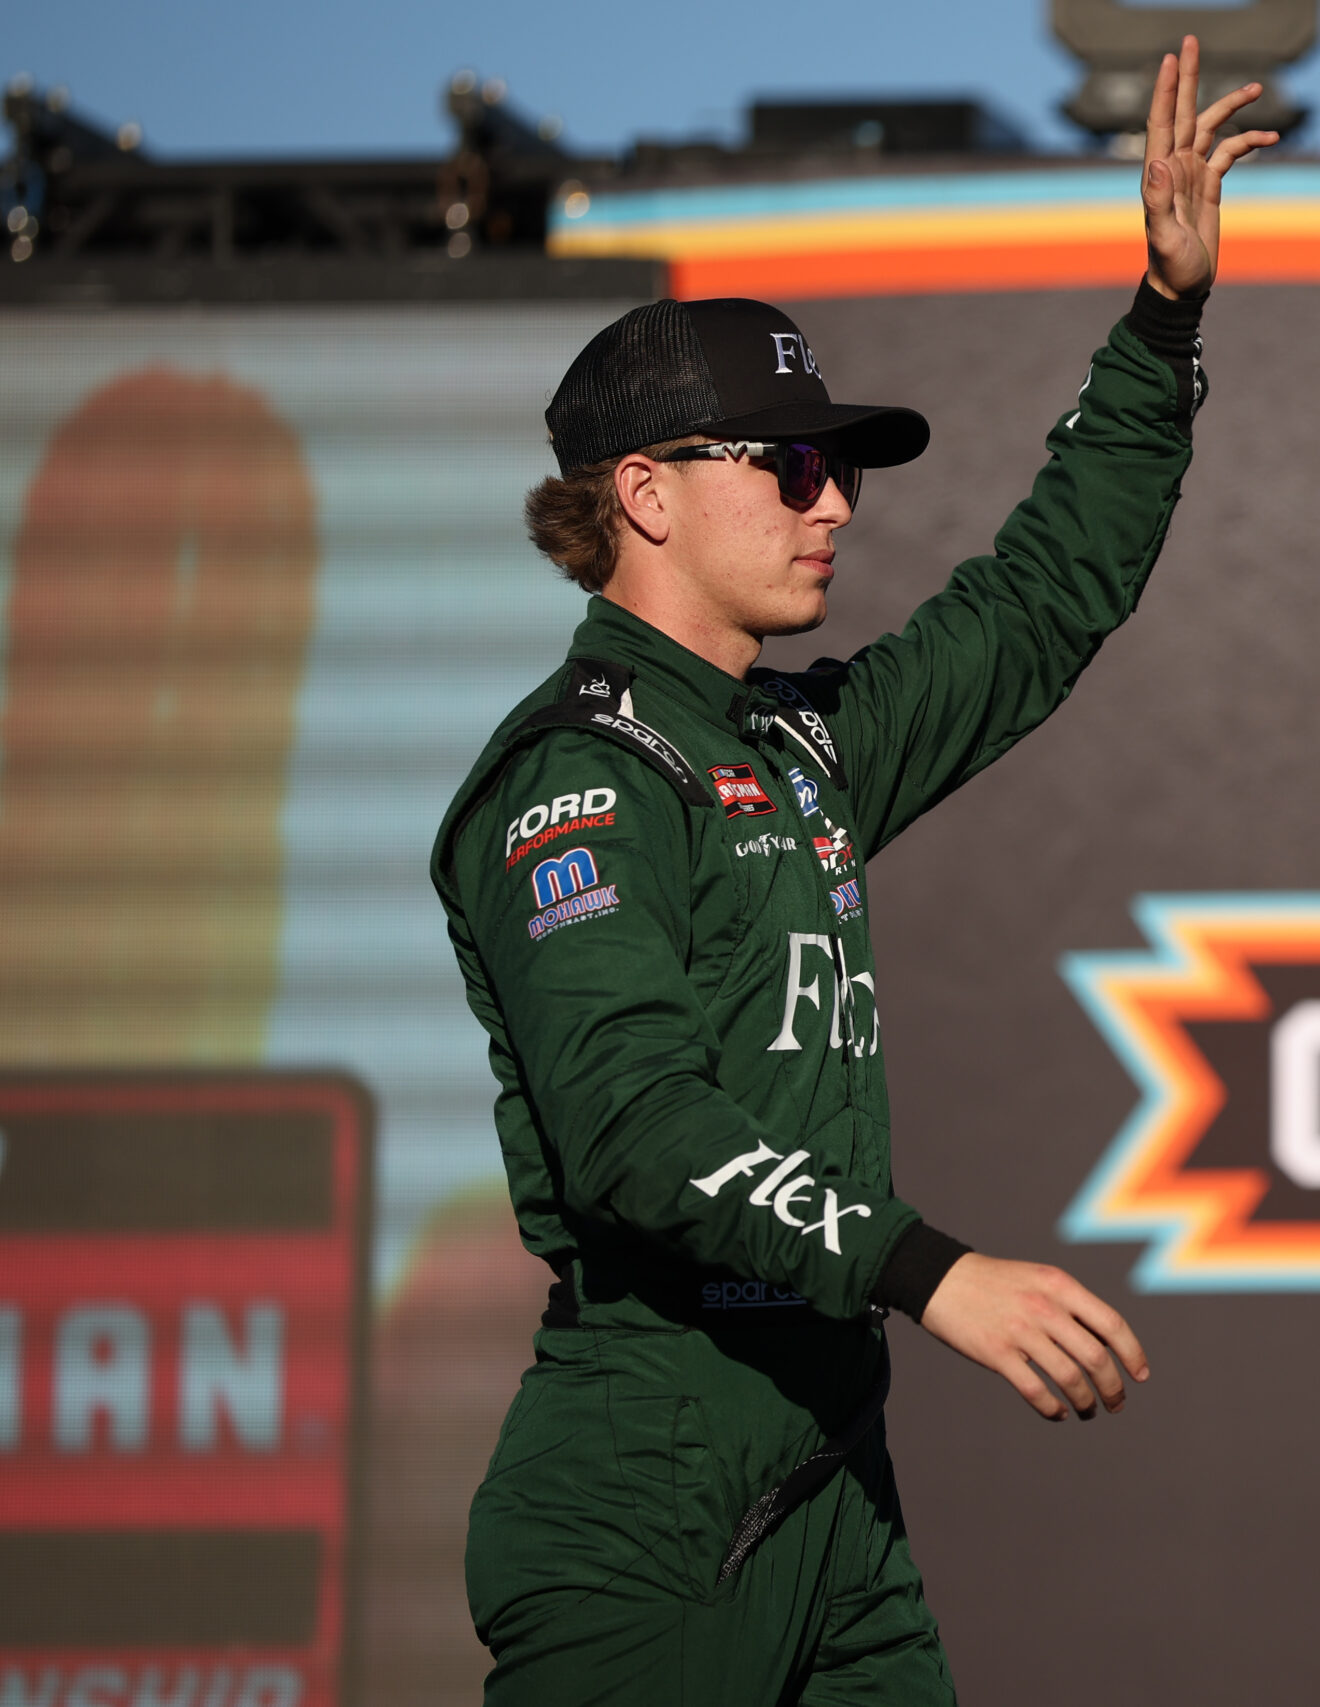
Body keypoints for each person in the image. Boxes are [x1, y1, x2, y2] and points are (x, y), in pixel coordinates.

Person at [427, 42, 1276, 1705]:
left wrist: (1162, 321)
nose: (838, 498)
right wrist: (928, 1273)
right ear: (647, 494)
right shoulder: (575, 784)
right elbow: (634, 1128)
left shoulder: (796, 743)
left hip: (829, 1480)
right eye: (792, 463)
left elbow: (1037, 604)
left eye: (844, 464)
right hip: (645, 1492)